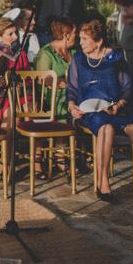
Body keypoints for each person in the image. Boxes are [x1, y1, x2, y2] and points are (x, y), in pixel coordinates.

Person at [66, 19, 133, 203]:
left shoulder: (115, 58)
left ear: (98, 41)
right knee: (107, 129)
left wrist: (119, 104)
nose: (80, 43)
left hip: (115, 106)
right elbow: (71, 89)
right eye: (80, 38)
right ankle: (102, 184)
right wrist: (72, 107)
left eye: (84, 39)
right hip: (90, 111)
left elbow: (128, 87)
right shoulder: (78, 59)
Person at [33, 16, 78, 178]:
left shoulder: (74, 52)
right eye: (74, 32)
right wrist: (68, 82)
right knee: (57, 110)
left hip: (70, 96)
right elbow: (44, 80)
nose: (76, 35)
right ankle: (38, 162)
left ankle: (61, 158)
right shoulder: (46, 53)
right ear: (66, 35)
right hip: (49, 98)